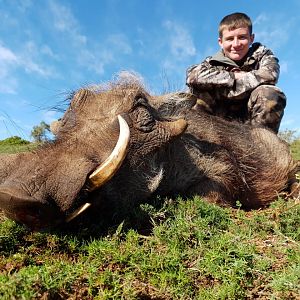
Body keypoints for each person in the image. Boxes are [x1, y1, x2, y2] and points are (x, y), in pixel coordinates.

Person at [186, 12, 286, 133]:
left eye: (242, 37)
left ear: (251, 38)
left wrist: (227, 86)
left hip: (251, 120)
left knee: (270, 93)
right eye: (229, 39)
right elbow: (192, 75)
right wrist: (235, 76)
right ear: (220, 42)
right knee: (196, 92)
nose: (236, 44)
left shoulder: (264, 55)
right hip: (217, 119)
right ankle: (199, 140)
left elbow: (270, 74)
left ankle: (263, 146)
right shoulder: (211, 62)